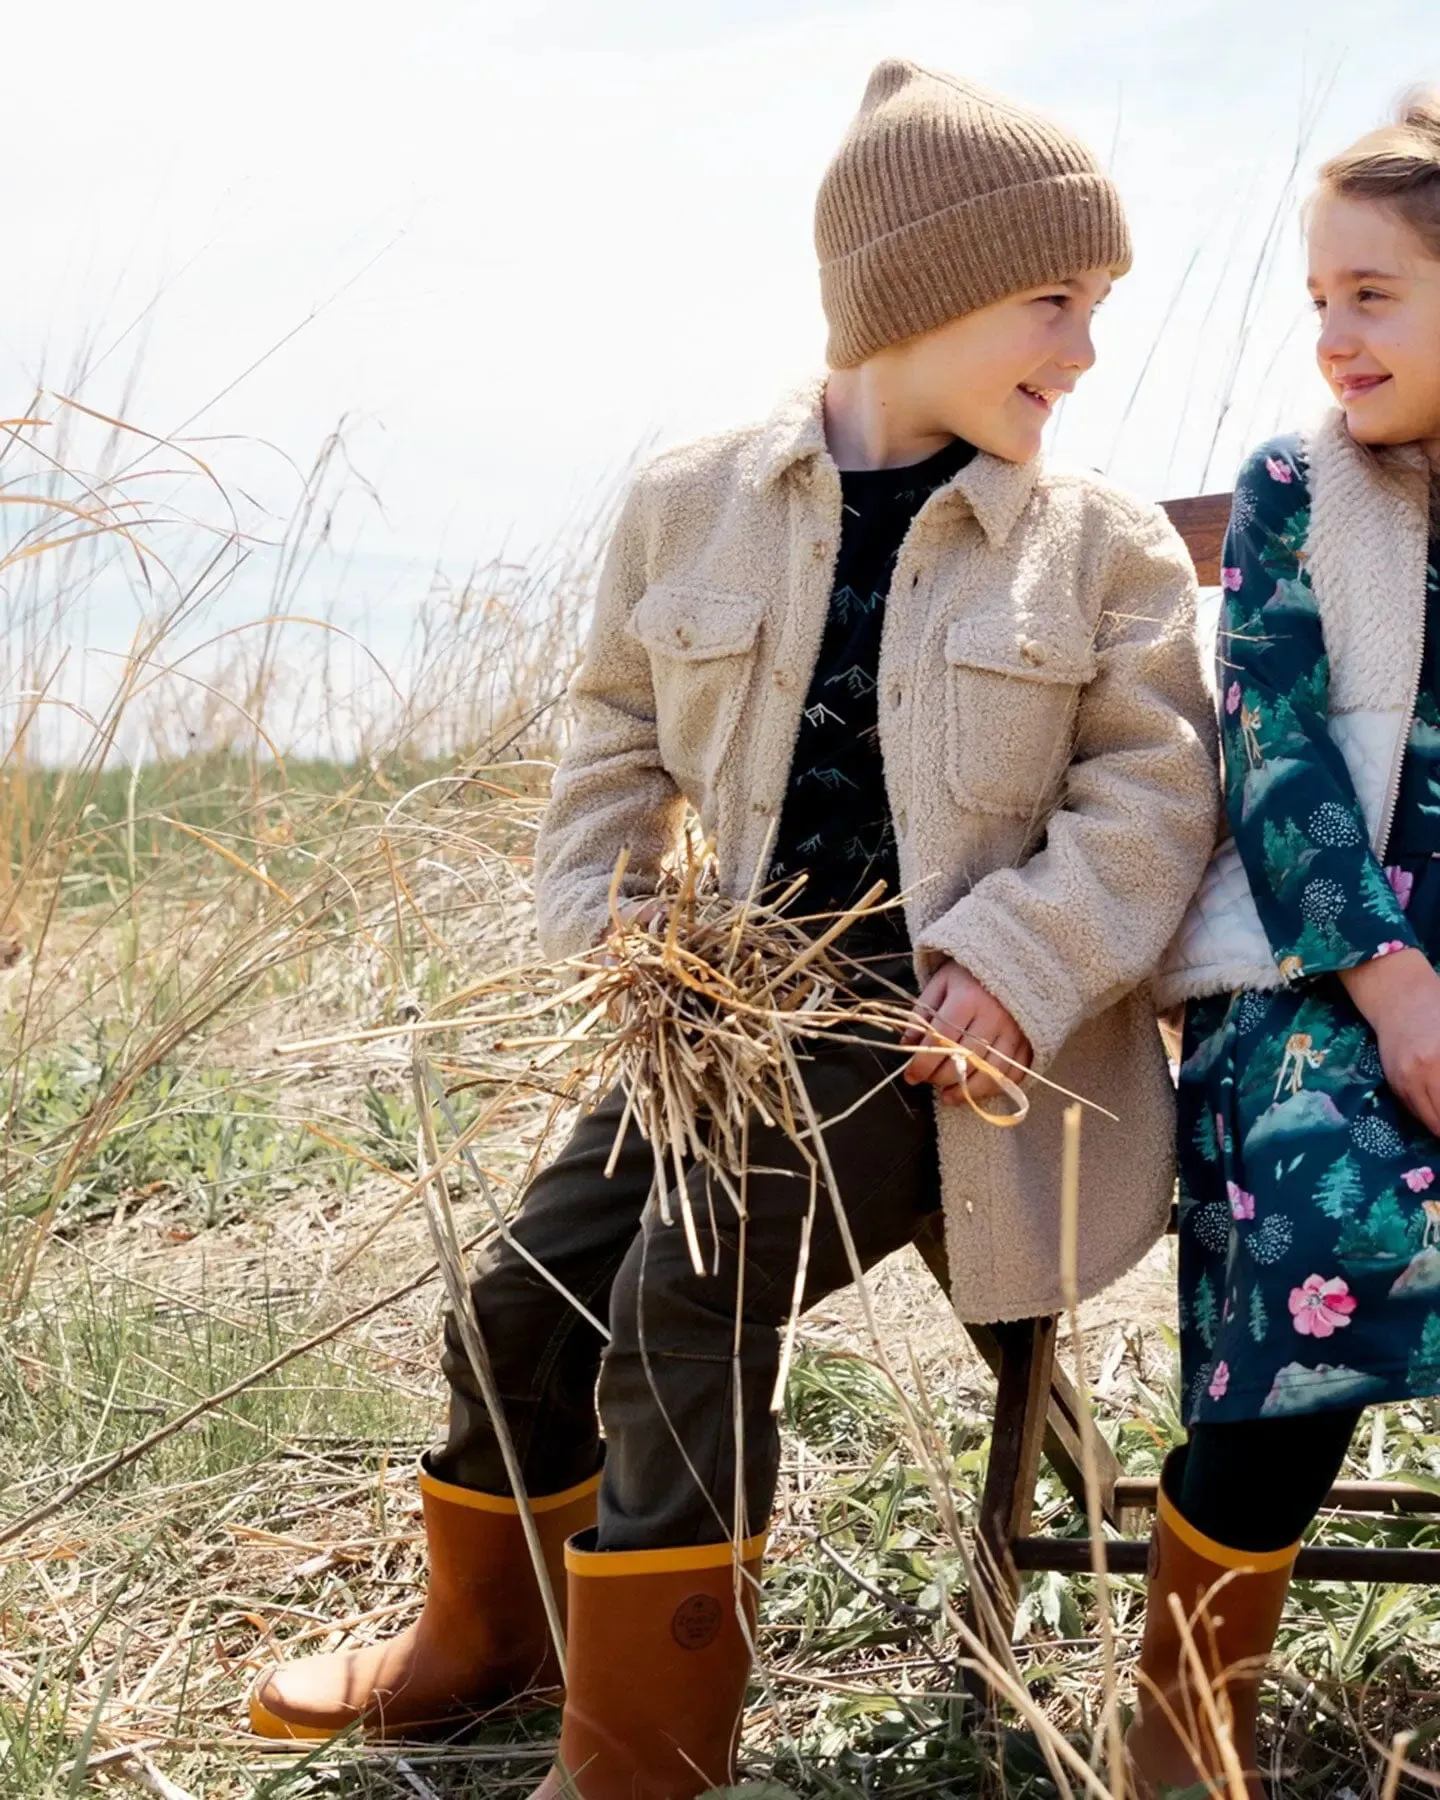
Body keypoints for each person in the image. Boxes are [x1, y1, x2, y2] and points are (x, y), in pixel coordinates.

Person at [249, 59, 1217, 1798]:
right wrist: (617, 923)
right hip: (725, 1020)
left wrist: (1011, 962)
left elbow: (1149, 802)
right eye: (1054, 302)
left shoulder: (1101, 550)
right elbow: (616, 727)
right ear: (916, 294)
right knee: (525, 1289)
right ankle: (487, 1641)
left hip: (950, 1059)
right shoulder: (697, 498)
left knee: (684, 1288)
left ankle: (646, 1752)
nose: (1083, 351)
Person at [1145, 92, 1440, 1800]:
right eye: (1318, 297)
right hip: (1320, 967)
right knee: (1332, 1211)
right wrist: (1393, 981)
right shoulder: (1294, 492)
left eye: (1374, 293)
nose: (1332, 334)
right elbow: (1276, 755)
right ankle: (1187, 1724)